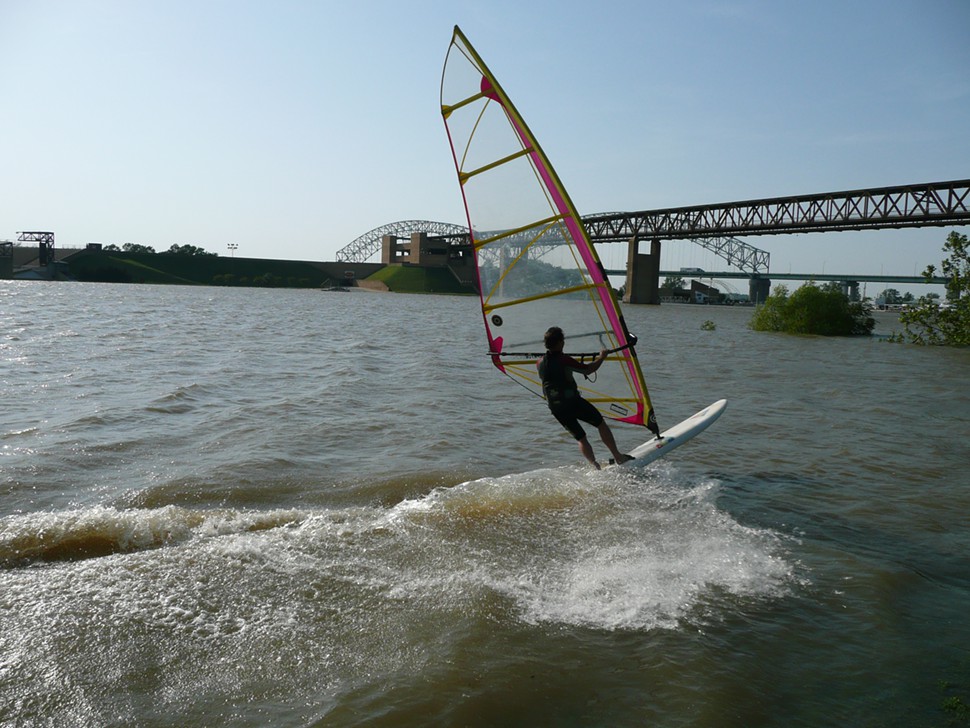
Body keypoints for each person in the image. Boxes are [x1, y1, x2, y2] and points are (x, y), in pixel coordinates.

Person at [537, 326, 633, 469]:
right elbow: (588, 370)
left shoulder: (539, 363)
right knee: (600, 424)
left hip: (556, 408)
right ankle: (618, 457)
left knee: (581, 438)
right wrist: (602, 357)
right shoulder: (565, 360)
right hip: (572, 403)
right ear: (560, 343)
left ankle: (595, 466)